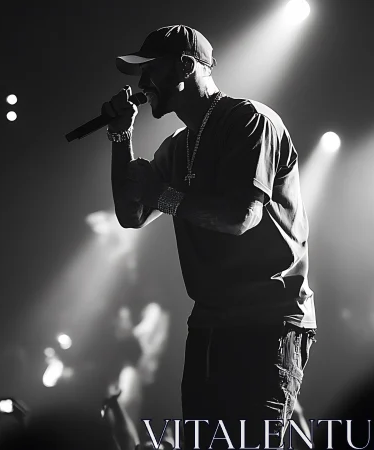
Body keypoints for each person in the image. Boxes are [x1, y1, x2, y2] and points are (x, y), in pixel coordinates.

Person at [103, 25, 317, 448]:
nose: (142, 84)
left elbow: (240, 217)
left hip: (267, 320)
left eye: (150, 70)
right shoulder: (177, 145)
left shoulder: (249, 121)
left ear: (186, 66)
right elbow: (131, 214)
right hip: (209, 322)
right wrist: (120, 137)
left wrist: (161, 194)